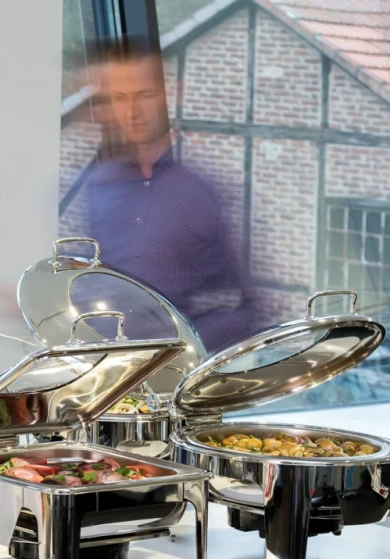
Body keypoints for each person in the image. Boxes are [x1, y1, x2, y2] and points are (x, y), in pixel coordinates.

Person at [82, 42, 263, 351]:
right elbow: (82, 283)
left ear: (174, 94)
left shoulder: (207, 191)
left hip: (181, 367)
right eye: (120, 98)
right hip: (106, 366)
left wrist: (178, 349)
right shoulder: (97, 186)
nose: (132, 112)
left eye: (145, 95)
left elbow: (246, 308)